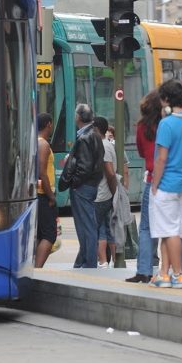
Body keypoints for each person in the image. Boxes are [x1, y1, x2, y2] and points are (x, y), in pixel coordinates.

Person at [149, 79, 182, 289]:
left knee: (170, 232)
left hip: (166, 183)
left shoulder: (167, 124)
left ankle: (178, 274)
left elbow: (161, 158)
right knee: (173, 230)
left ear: (167, 99)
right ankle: (164, 273)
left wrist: (154, 183)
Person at [126, 90, 163, 283]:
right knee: (172, 228)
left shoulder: (142, 127)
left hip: (151, 180)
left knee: (146, 227)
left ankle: (143, 270)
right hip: (169, 180)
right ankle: (177, 271)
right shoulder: (166, 124)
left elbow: (141, 151)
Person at [68, 104, 105, 269]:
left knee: (87, 226)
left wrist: (74, 183)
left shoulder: (84, 138)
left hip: (83, 186)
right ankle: (83, 261)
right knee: (86, 225)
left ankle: (89, 262)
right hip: (91, 184)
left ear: (78, 117)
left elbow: (84, 167)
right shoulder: (95, 135)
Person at [93, 117, 118, 269]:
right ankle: (114, 261)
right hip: (106, 193)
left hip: (101, 194)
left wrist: (114, 191)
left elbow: (109, 172)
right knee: (107, 228)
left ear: (96, 129)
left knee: (99, 228)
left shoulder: (102, 145)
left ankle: (103, 261)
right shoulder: (108, 144)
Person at [35, 113, 57, 268]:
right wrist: (51, 196)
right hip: (43, 194)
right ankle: (37, 269)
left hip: (38, 193)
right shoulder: (43, 144)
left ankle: (35, 267)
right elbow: (42, 172)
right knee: (49, 235)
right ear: (49, 124)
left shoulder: (34, 142)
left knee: (40, 234)